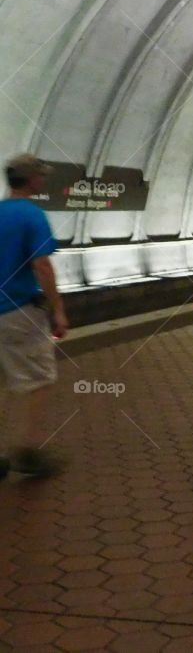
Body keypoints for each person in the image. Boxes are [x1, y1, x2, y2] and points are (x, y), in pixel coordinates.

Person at [0, 153, 68, 479]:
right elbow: (42, 265)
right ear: (33, 180)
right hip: (18, 310)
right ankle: (28, 450)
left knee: (5, 379)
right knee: (38, 379)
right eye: (41, 176)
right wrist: (58, 310)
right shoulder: (32, 215)